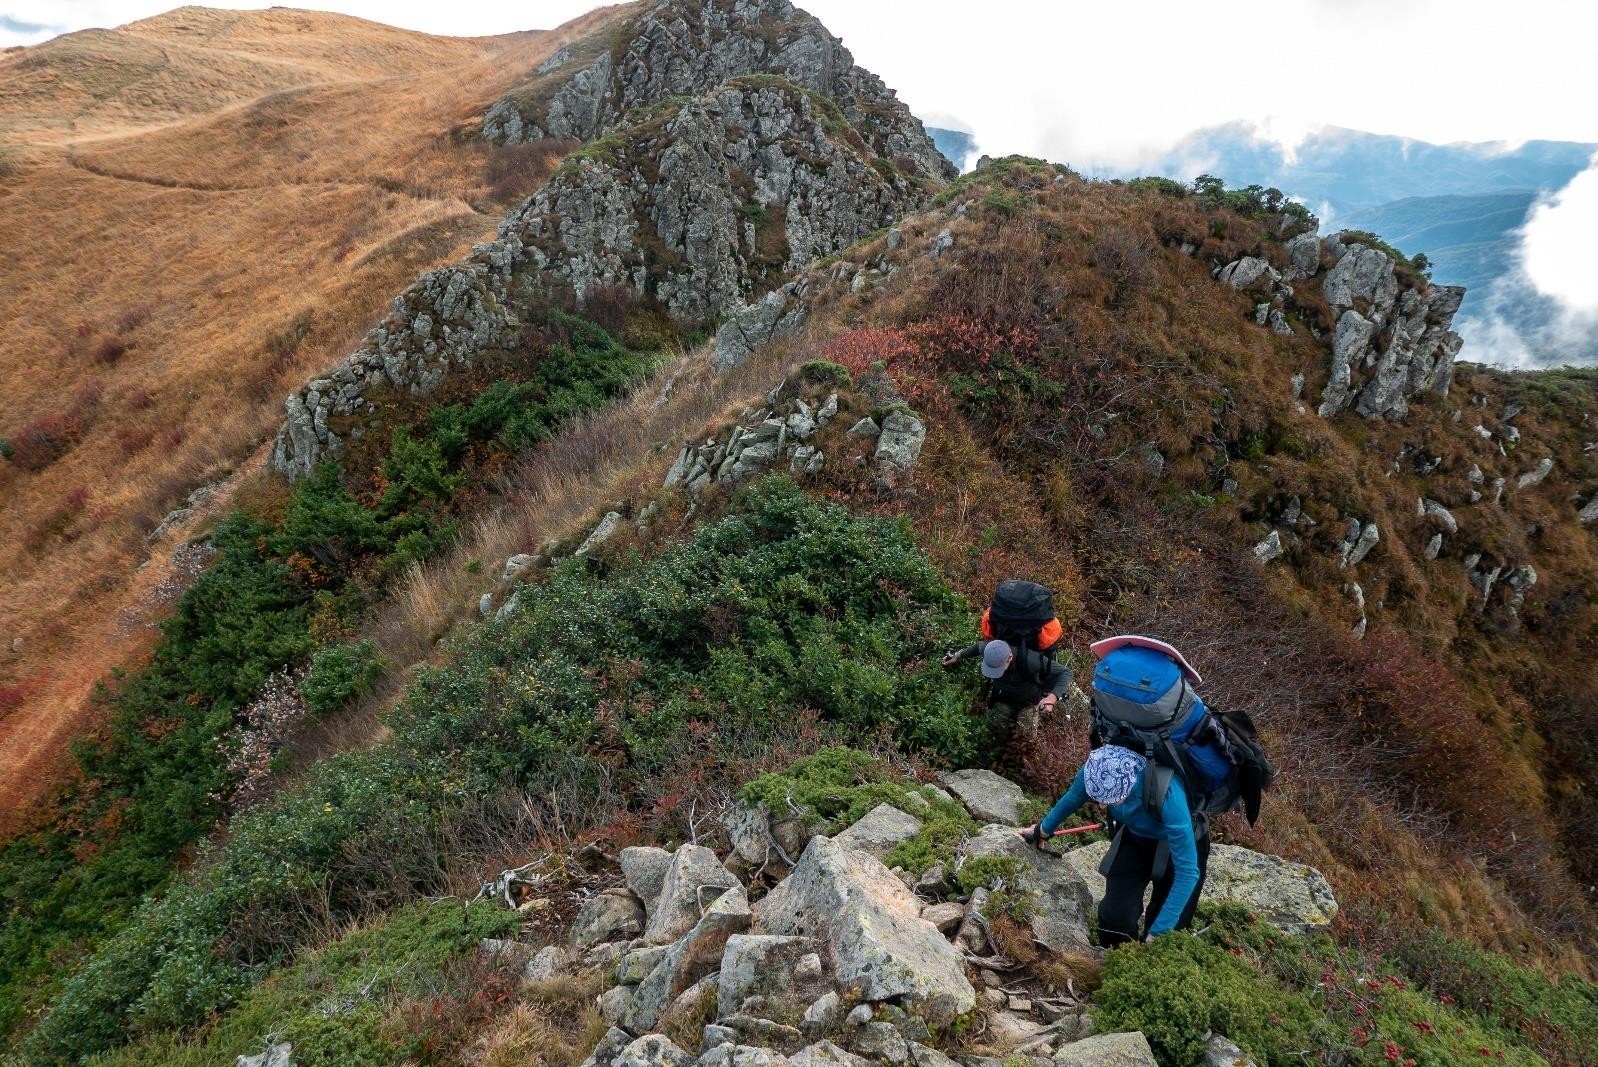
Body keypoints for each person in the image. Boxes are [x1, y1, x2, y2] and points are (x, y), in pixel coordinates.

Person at [1020, 744, 1208, 946]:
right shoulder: (1097, 769)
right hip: (1135, 839)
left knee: (1171, 930)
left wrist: (1159, 933)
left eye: (1111, 800)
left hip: (1180, 845)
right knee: (1114, 919)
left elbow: (1188, 873)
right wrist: (1043, 829)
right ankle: (1116, 961)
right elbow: (1074, 797)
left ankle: (1153, 962)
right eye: (1098, 799)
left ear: (1129, 786)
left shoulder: (1169, 793)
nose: (1102, 805)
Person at [942, 637, 1071, 750]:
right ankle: (999, 755)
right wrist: (957, 656)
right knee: (997, 735)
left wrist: (1052, 697)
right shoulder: (988, 648)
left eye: (998, 668)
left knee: (1026, 742)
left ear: (1010, 657)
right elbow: (977, 647)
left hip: (1028, 704)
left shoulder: (1031, 660)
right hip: (1001, 699)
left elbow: (1065, 672)